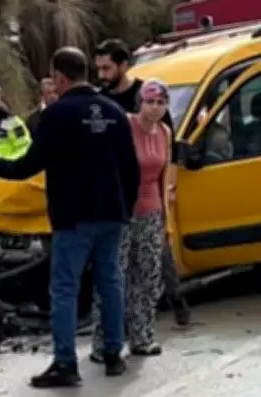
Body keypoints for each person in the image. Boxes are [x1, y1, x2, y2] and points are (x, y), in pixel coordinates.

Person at [0, 47, 140, 387]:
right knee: (110, 282)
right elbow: (131, 168)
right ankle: (114, 354)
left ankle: (65, 363)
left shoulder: (57, 115)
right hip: (111, 213)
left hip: (74, 216)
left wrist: (0, 168)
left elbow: (31, 164)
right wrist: (125, 207)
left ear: (59, 77)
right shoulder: (115, 112)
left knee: (65, 288)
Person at [94, 38, 192, 326]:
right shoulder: (103, 101)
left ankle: (176, 301)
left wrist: (168, 187)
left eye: (107, 68)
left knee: (158, 254)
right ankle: (118, 320)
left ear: (124, 66)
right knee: (118, 261)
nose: (102, 75)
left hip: (149, 190)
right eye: (98, 68)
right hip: (118, 194)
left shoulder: (147, 95)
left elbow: (169, 143)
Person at [90, 79, 172, 362]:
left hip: (151, 211)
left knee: (148, 276)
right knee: (114, 276)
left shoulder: (164, 132)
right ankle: (103, 341)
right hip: (122, 212)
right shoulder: (125, 125)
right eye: (150, 101)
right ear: (140, 102)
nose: (155, 107)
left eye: (161, 103)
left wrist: (166, 222)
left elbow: (165, 178)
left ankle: (143, 336)